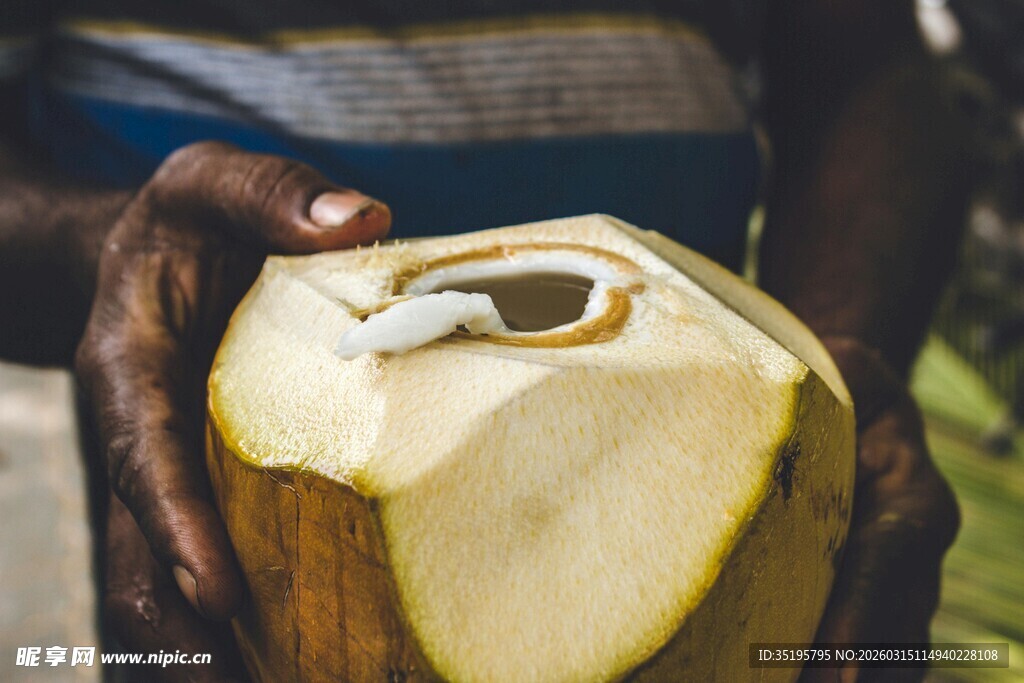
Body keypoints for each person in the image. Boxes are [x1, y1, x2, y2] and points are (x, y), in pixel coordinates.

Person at [0, 0, 971, 680]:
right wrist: (112, 249)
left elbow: (868, 63)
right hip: (245, 498)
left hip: (713, 464)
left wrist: (834, 357)